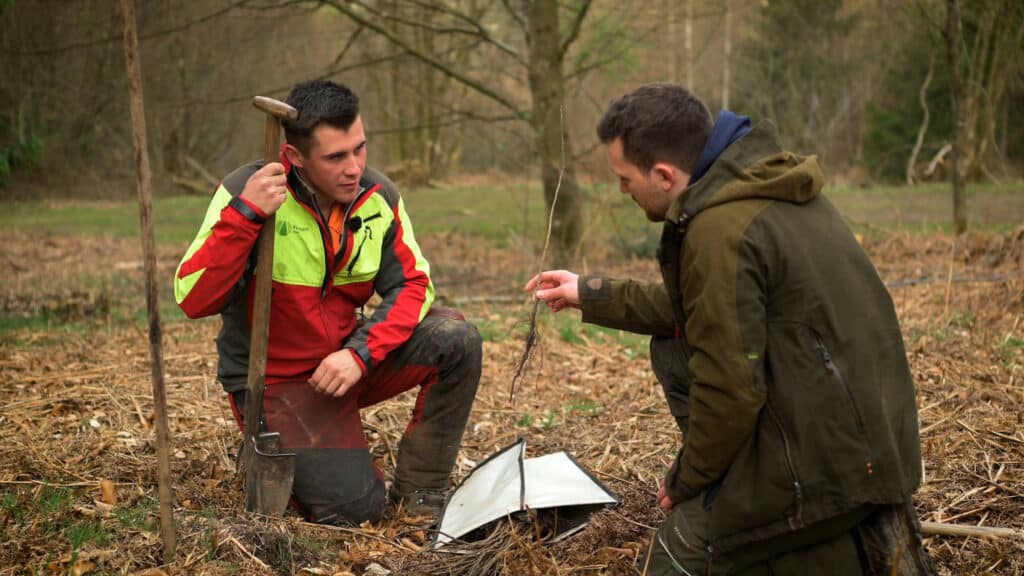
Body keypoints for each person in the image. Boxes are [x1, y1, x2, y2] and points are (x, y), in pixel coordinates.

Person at [527, 83, 935, 574]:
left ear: (663, 174)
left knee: (675, 558)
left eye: (624, 178)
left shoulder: (719, 232)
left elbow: (731, 393)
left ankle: (817, 538)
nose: (621, 191)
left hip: (834, 469)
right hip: (872, 443)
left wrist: (687, 482)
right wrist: (588, 292)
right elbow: (695, 310)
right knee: (672, 347)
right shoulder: (763, 186)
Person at [174, 79, 481, 525]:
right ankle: (284, 444)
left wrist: (361, 354)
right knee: (358, 513)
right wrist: (246, 214)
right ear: (296, 157)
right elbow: (192, 297)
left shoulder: (379, 197)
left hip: (345, 363)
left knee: (456, 338)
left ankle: (420, 496)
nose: (354, 168)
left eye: (360, 149)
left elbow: (414, 285)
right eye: (336, 157)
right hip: (274, 382)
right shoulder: (248, 189)